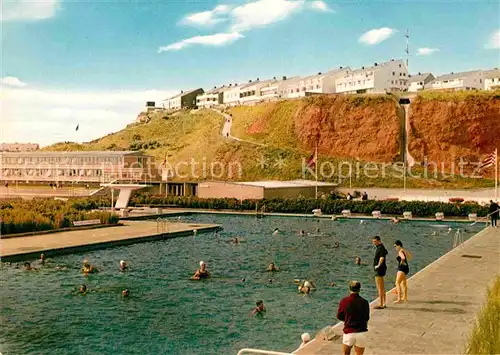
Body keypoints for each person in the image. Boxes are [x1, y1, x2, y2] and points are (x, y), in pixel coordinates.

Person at [337, 281, 370, 355]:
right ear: (359, 289)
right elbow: (367, 318)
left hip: (349, 332)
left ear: (349, 289)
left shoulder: (344, 301)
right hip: (361, 332)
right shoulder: (365, 302)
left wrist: (347, 319)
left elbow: (339, 316)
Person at [372, 236, 388, 309]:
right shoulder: (382, 247)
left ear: (379, 241)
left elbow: (382, 258)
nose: (374, 243)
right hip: (382, 269)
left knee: (380, 287)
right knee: (382, 287)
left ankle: (381, 304)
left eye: (375, 241)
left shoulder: (380, 248)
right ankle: (383, 303)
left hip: (379, 269)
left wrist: (378, 266)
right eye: (373, 241)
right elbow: (386, 252)